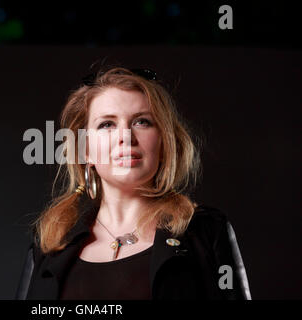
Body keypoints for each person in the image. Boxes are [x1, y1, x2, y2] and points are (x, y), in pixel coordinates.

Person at [15, 66, 251, 300]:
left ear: (164, 142)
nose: (126, 136)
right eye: (107, 124)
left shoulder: (206, 232)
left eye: (142, 122)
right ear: (84, 149)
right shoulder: (50, 242)